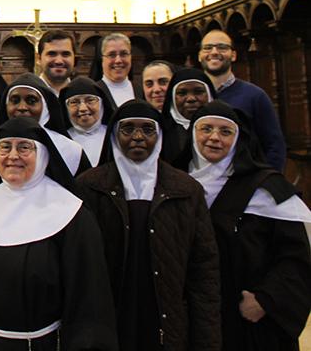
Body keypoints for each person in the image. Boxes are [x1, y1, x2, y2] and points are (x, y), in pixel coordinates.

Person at [0, 117, 118, 350]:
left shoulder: (71, 214)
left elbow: (89, 301)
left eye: (24, 147)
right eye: (5, 147)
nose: (13, 156)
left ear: (43, 154)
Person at [77, 100, 221, 351]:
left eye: (147, 129)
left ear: (160, 135)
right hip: (109, 316)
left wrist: (207, 340)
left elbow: (203, 269)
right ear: (113, 135)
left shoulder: (186, 189)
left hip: (167, 317)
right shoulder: (89, 186)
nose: (138, 137)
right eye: (128, 129)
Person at [186, 101, 311, 351]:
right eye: (206, 128)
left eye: (225, 131)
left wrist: (267, 300)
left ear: (238, 138)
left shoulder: (266, 188)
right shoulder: (174, 182)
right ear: (192, 133)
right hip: (193, 316)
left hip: (250, 319)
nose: (214, 138)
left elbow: (295, 257)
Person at [199, 30, 286, 170]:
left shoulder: (255, 96)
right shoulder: (192, 98)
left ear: (233, 55)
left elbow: (274, 145)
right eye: (208, 48)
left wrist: (268, 185)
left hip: (244, 181)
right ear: (200, 55)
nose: (214, 52)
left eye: (222, 47)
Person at [4, 73, 91, 176]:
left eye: (31, 101)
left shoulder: (70, 150)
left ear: (45, 107)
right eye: (15, 101)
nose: (22, 107)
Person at [160, 68, 215, 163]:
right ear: (172, 97)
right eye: (182, 93)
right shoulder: (161, 131)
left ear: (209, 95)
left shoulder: (226, 127)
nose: (191, 99)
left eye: (198, 92)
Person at [59, 76, 112, 168]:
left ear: (102, 104)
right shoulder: (59, 139)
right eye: (74, 102)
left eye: (90, 100)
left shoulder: (114, 136)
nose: (83, 108)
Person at [94, 33, 143, 111]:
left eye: (124, 54)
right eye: (112, 55)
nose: (118, 60)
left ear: (130, 57)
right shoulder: (93, 92)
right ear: (102, 59)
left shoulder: (141, 91)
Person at [36, 29, 76, 96]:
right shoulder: (28, 92)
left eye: (65, 54)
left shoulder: (84, 93)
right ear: (39, 58)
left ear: (74, 58)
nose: (59, 61)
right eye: (52, 54)